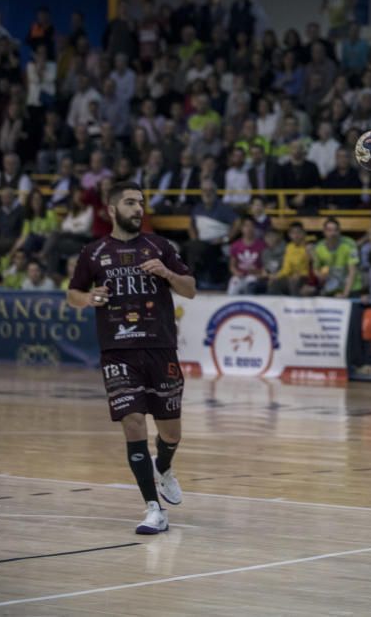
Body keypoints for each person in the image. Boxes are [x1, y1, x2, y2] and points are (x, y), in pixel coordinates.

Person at [67, 181, 196, 535]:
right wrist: (89, 298)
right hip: (117, 351)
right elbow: (73, 294)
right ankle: (153, 509)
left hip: (161, 348)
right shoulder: (93, 253)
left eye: (140, 202)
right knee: (134, 423)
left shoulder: (160, 246)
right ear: (112, 209)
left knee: (171, 432)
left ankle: (164, 466)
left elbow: (191, 289)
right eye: (130, 202)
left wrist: (168, 274)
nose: (138, 208)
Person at [227, 216, 266, 295]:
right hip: (240, 276)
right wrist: (237, 273)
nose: (249, 228)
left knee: (251, 281)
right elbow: (232, 266)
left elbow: (265, 266)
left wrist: (258, 273)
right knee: (234, 282)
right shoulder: (235, 245)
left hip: (255, 276)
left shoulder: (262, 245)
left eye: (252, 226)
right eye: (246, 226)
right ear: (241, 228)